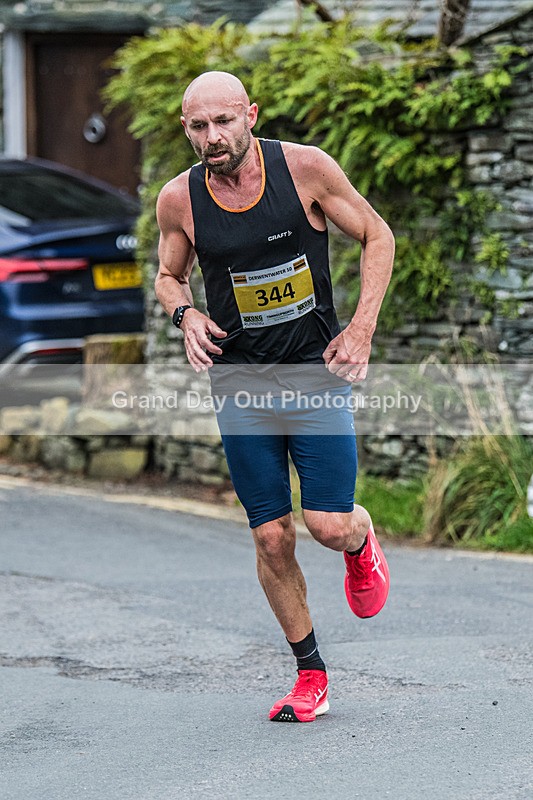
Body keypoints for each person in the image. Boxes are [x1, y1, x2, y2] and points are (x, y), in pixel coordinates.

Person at [155, 71, 395, 723]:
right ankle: (310, 674)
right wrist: (185, 317)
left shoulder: (306, 171)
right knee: (269, 539)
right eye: (198, 126)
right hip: (239, 386)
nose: (213, 137)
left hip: (313, 375)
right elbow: (168, 276)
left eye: (224, 121)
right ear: (185, 128)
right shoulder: (179, 200)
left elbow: (378, 235)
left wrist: (361, 329)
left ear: (250, 115)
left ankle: (359, 533)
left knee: (324, 525)